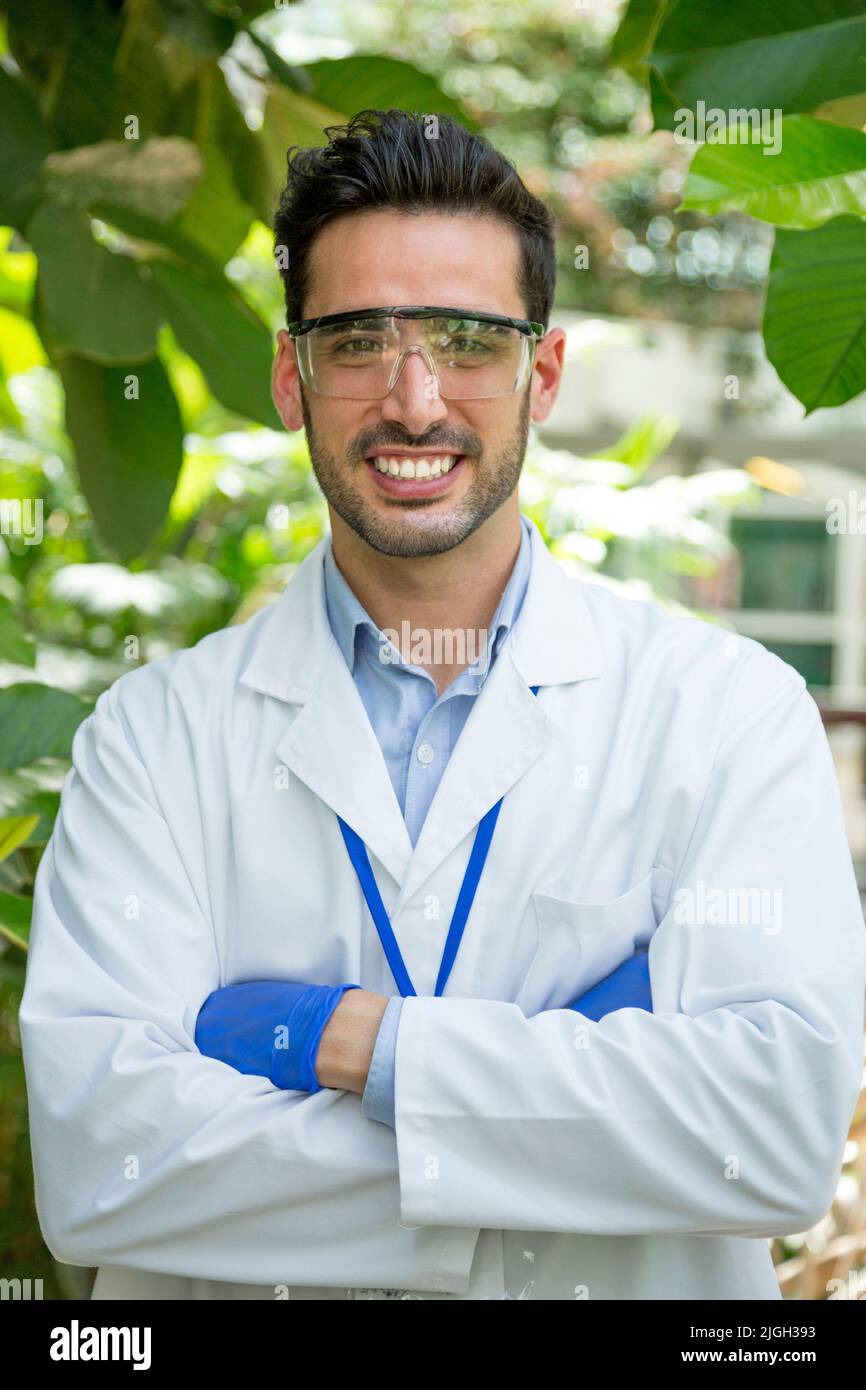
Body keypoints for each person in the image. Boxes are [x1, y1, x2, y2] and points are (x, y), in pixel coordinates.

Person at [20, 109, 866, 1302]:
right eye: (359, 339)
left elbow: (769, 1135)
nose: (414, 400)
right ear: (289, 374)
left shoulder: (727, 715)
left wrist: (352, 1044)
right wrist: (567, 1126)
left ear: (544, 372)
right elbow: (103, 1163)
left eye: (468, 340)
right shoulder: (155, 740)